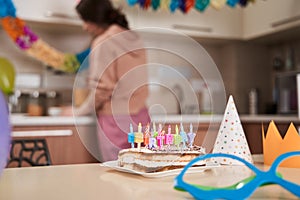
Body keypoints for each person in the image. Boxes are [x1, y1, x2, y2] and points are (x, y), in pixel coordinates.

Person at [61, 0, 150, 162]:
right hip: (142, 118)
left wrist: (78, 111)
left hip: (116, 120)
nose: (84, 26)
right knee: (142, 172)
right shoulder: (134, 39)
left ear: (95, 19)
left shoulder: (103, 42)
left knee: (117, 175)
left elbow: (102, 89)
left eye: (85, 20)